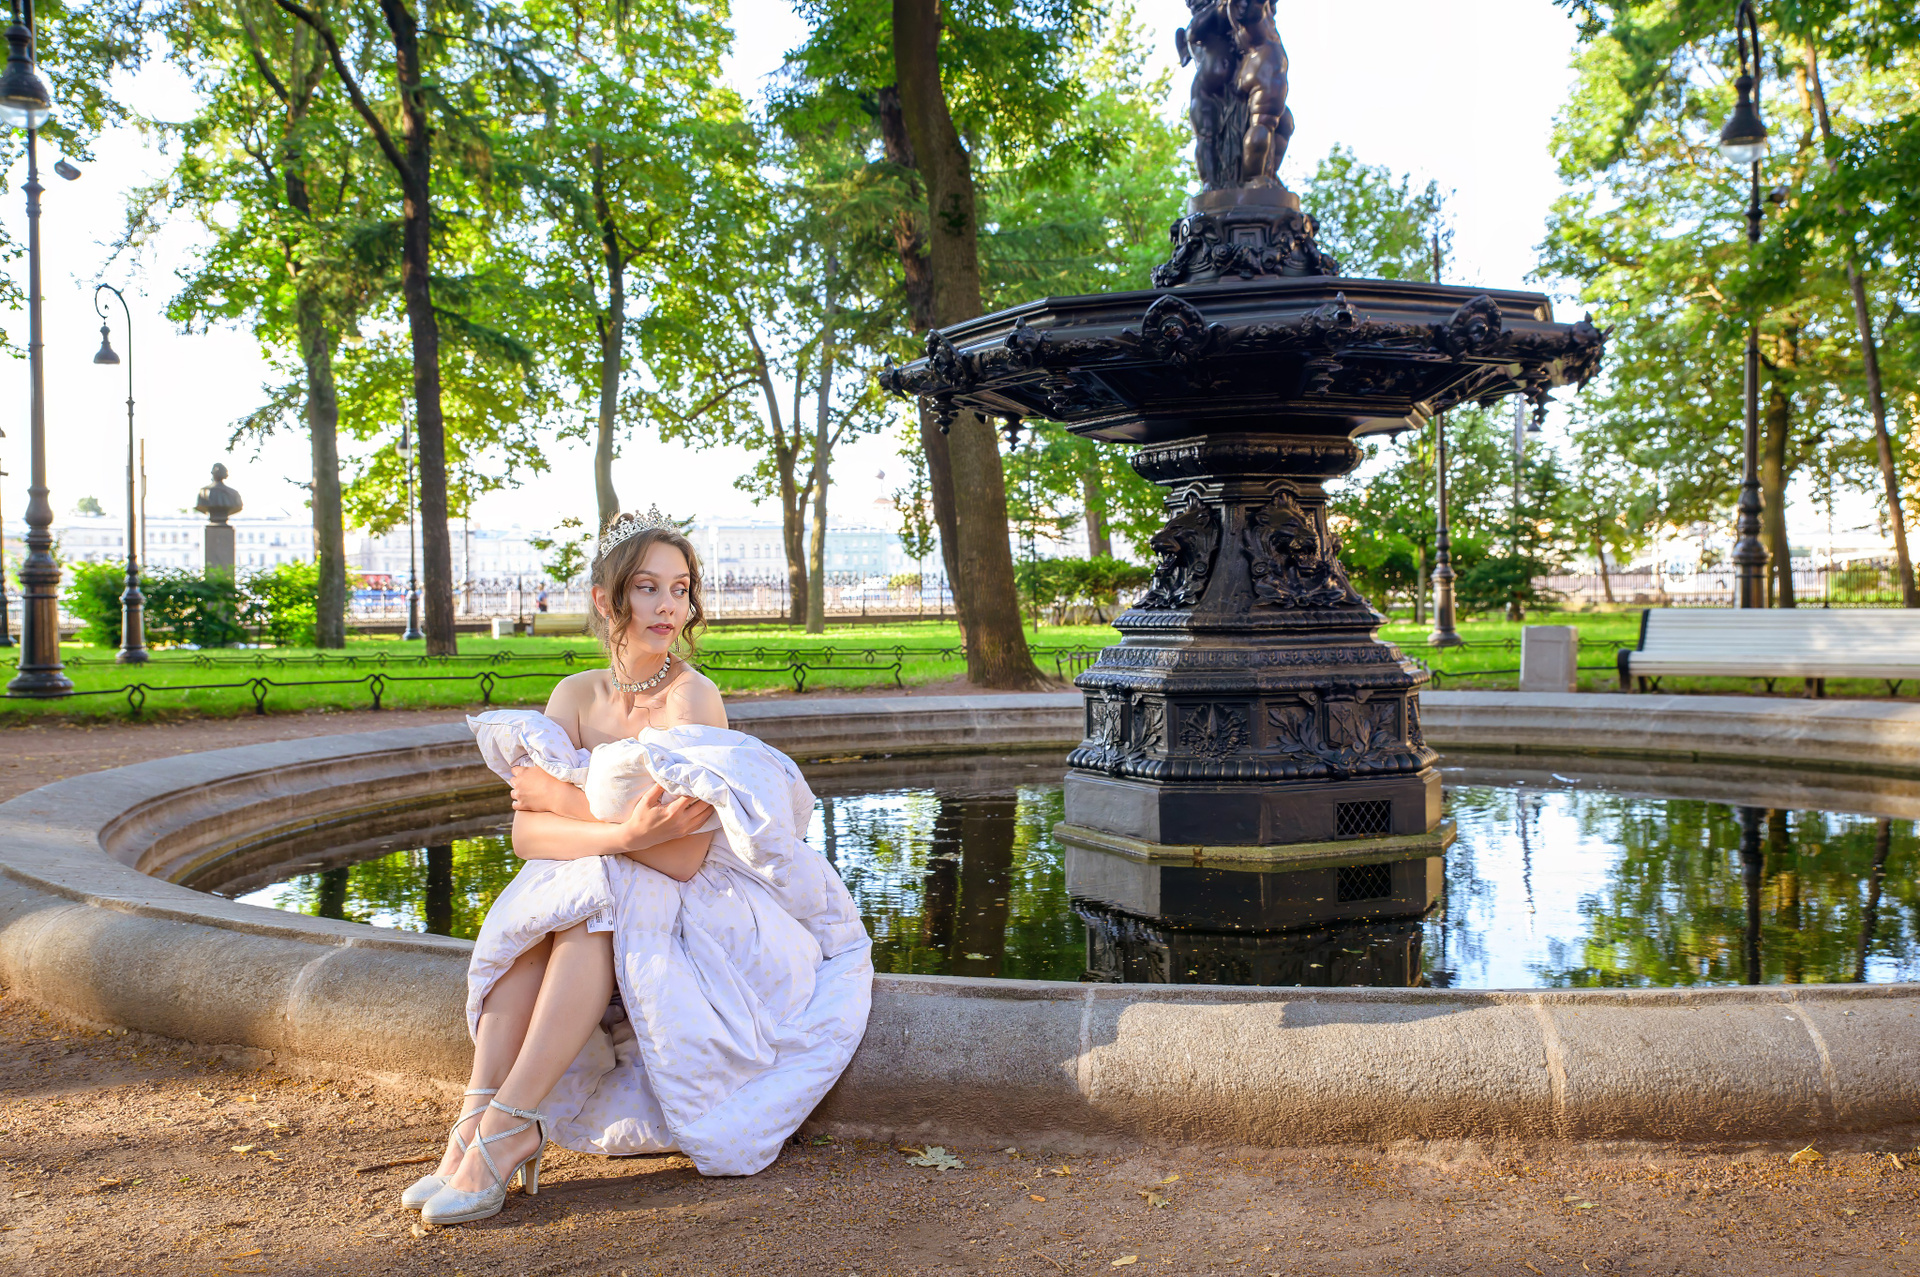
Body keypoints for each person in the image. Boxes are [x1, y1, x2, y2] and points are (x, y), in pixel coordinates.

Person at [407, 509, 872, 1226]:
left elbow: (683, 855)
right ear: (607, 598)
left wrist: (577, 808)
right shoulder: (575, 696)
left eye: (680, 589)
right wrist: (624, 830)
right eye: (648, 587)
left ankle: (509, 1125)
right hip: (611, 869)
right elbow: (527, 834)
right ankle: (478, 1119)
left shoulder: (692, 698)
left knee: (590, 903)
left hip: (699, 896)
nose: (668, 606)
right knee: (551, 906)